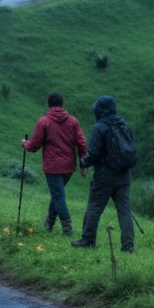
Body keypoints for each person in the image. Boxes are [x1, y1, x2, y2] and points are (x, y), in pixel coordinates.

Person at [72, 95, 135, 252]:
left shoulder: (100, 127)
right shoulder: (124, 124)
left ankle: (88, 241)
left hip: (104, 177)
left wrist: (83, 163)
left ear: (99, 111)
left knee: (94, 207)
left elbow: (93, 153)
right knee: (125, 212)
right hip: (124, 176)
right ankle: (128, 247)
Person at [21, 92, 87, 236]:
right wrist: (83, 165)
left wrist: (25, 144)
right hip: (68, 167)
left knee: (58, 196)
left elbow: (34, 146)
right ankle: (49, 224)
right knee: (57, 195)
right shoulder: (73, 121)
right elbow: (82, 143)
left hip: (52, 167)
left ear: (49, 104)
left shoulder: (44, 122)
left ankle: (67, 230)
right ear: (62, 104)